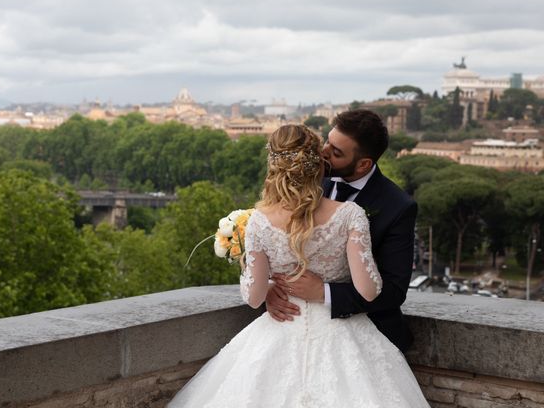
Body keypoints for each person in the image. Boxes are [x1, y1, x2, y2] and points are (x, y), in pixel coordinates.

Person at [169, 124, 428, 407]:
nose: (328, 153)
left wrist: (267, 284)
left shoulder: (259, 220)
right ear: (317, 163)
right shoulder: (351, 216)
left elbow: (253, 297)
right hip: (344, 337)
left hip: (280, 329)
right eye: (325, 147)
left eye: (335, 150)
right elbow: (369, 290)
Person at [268, 109, 416, 352]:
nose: (323, 152)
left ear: (364, 164)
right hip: (295, 330)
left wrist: (323, 292)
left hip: (365, 340)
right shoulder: (306, 181)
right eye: (327, 140)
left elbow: (394, 291)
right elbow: (273, 240)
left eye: (336, 152)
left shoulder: (398, 207)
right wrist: (269, 288)